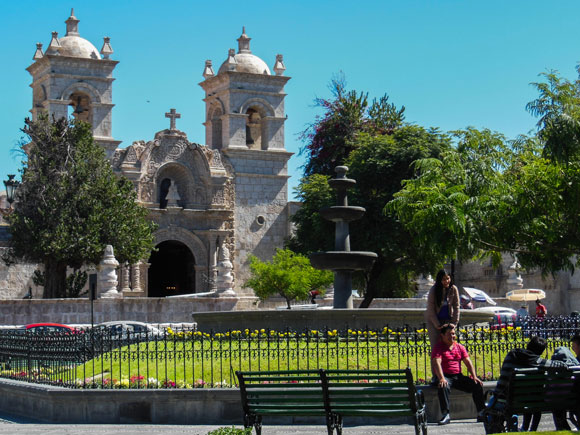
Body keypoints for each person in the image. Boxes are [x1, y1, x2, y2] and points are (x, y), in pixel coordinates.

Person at [486, 336, 566, 432]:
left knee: (491, 405)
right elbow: (560, 365)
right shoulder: (537, 361)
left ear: (528, 345)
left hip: (502, 401)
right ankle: (528, 430)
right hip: (526, 403)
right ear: (541, 352)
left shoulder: (511, 355)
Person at [431, 323, 485, 425]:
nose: (452, 336)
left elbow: (468, 362)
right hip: (445, 376)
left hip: (458, 376)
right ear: (442, 335)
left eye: (453, 334)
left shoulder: (459, 347)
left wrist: (474, 376)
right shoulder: (439, 347)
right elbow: (436, 363)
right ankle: (445, 414)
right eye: (449, 334)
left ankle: (481, 413)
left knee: (477, 385)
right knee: (443, 386)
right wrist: (441, 378)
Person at [551, 335, 580, 430]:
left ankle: (562, 428)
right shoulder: (576, 362)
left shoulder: (576, 363)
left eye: (574, 345)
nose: (572, 348)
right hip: (575, 399)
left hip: (571, 398)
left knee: (557, 400)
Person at [425, 269, 460, 348]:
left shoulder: (453, 289)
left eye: (448, 278)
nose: (446, 281)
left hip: (448, 321)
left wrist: (454, 323)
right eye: (444, 279)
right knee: (436, 346)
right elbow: (430, 309)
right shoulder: (433, 290)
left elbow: (456, 306)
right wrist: (437, 324)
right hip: (435, 322)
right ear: (439, 280)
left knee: (448, 345)